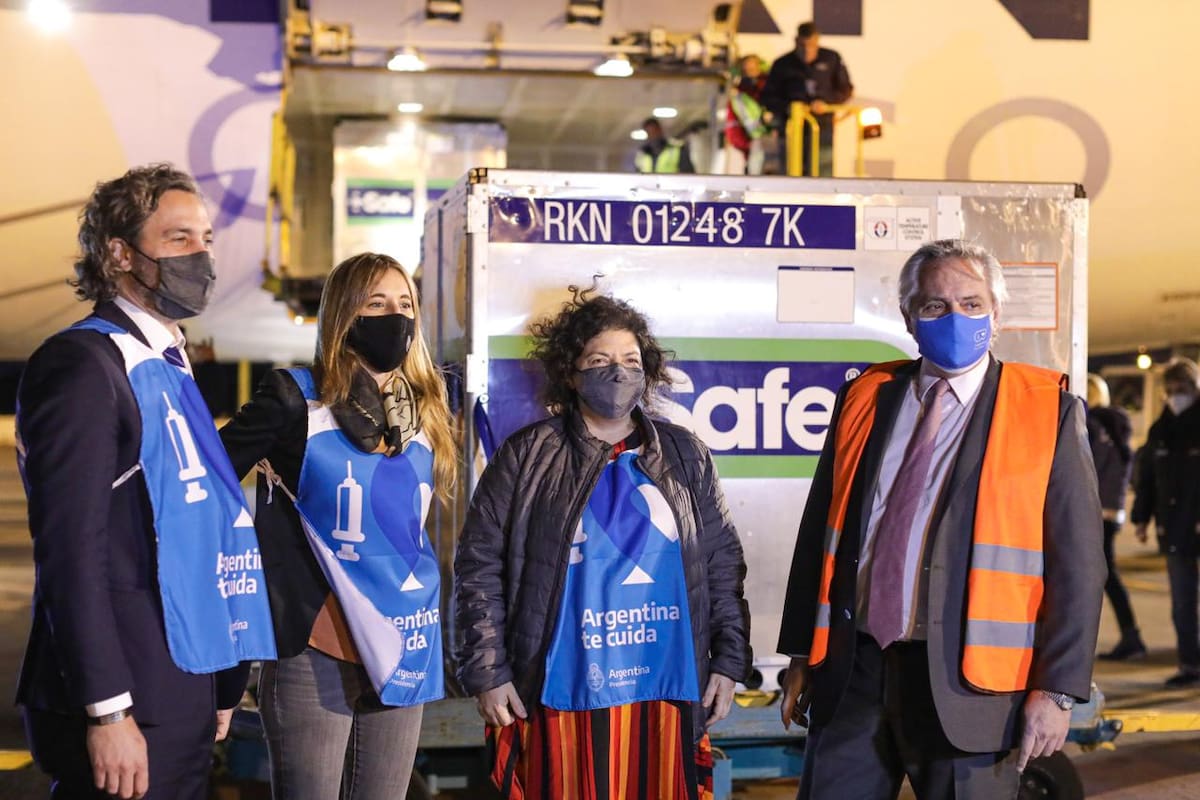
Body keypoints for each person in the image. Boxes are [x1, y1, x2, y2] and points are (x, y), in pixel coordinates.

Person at [777, 239, 1105, 799]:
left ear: (996, 315)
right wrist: (803, 654)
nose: (956, 317)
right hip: (855, 671)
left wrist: (1055, 691)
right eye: (935, 306)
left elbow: (1079, 564)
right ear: (909, 317)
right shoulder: (865, 397)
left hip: (971, 689)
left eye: (972, 304)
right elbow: (821, 533)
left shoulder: (1048, 411)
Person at [15, 164, 275, 799]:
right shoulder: (82, 365)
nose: (203, 255)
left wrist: (217, 678)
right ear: (118, 252)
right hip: (124, 696)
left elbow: (201, 530)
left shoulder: (168, 361)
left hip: (179, 678)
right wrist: (106, 709)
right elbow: (71, 555)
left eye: (207, 238)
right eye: (179, 238)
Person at [454, 289, 751, 800]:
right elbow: (477, 568)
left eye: (630, 360)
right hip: (560, 690)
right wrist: (487, 671)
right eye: (599, 360)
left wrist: (728, 660)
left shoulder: (685, 453)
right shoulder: (528, 455)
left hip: (664, 688)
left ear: (648, 371)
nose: (617, 372)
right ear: (571, 373)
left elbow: (721, 562)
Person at [218, 252, 457, 798]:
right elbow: (207, 488)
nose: (394, 317)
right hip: (315, 649)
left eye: (404, 304)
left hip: (403, 644)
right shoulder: (293, 399)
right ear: (345, 315)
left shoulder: (427, 407)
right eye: (376, 304)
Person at [1131, 358, 1200, 687]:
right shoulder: (1161, 430)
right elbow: (1147, 480)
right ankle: (1190, 666)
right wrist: (1141, 518)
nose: (1175, 396)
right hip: (1174, 529)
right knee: (1182, 603)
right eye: (1170, 391)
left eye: (1181, 390)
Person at [1088, 373, 1145, 660]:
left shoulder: (1093, 425)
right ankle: (1130, 634)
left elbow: (1088, 469)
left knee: (1099, 575)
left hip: (1096, 509)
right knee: (1107, 575)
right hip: (1111, 509)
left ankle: (1130, 636)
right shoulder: (1117, 425)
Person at [761, 21, 853, 177]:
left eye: (812, 45)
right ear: (796, 41)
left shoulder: (831, 58)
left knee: (822, 168)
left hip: (821, 125)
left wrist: (826, 102)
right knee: (790, 170)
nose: (807, 50)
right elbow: (768, 96)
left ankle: (822, 200)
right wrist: (789, 107)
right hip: (791, 126)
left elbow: (846, 89)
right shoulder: (782, 64)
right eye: (803, 46)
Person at [723, 54, 770, 175]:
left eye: (753, 69)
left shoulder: (772, 87)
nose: (750, 73)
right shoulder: (737, 96)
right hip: (753, 143)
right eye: (746, 70)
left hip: (777, 138)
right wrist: (746, 145)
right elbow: (732, 125)